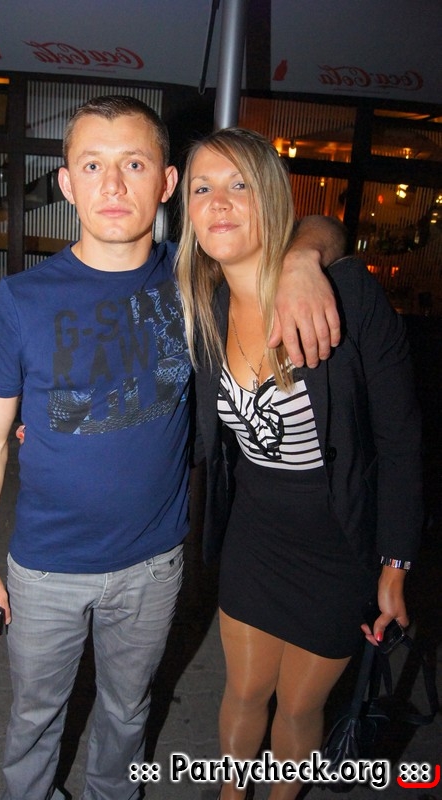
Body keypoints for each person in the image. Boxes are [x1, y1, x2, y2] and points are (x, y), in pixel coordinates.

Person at [0, 96, 345, 800]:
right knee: (36, 716)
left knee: (128, 710)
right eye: (92, 166)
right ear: (66, 184)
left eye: (133, 164)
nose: (112, 185)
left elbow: (320, 226)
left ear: (166, 183)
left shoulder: (196, 280)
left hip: (155, 564)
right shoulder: (19, 300)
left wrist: (303, 259)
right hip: (46, 568)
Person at [176, 127, 423, 800]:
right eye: (202, 188)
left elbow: (401, 440)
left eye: (240, 185)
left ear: (272, 199)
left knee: (298, 706)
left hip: (338, 544)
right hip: (255, 535)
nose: (219, 202)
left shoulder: (344, 293)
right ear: (187, 210)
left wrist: (395, 565)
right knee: (244, 690)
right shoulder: (202, 307)